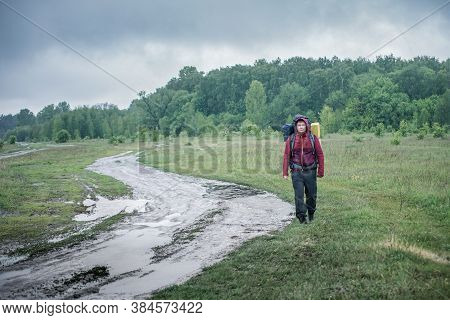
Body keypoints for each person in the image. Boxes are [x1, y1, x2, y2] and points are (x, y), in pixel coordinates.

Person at [283, 115, 324, 224]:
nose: (301, 127)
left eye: (303, 125)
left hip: (311, 171)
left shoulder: (312, 138)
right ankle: (302, 218)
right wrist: (285, 172)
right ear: (296, 127)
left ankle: (311, 213)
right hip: (297, 172)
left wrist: (321, 171)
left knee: (311, 195)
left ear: (306, 126)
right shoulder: (291, 139)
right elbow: (287, 155)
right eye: (299, 125)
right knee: (299, 195)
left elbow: (320, 154)